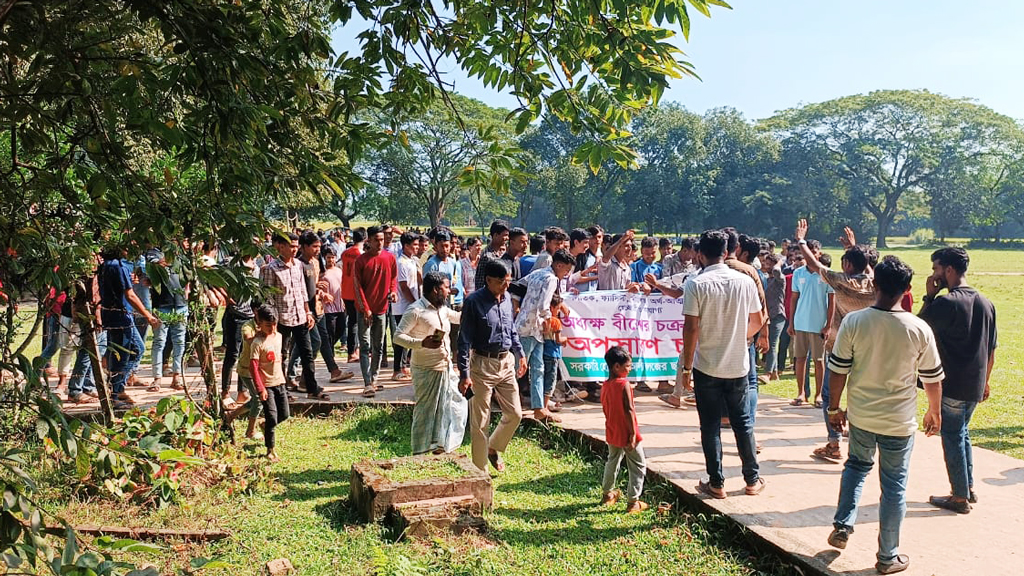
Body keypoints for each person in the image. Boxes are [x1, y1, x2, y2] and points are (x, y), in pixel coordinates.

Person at [825, 256, 945, 575]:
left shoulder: (854, 321)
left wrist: (834, 407)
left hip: (862, 417)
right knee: (894, 487)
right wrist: (934, 411)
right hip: (899, 422)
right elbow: (932, 377)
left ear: (874, 284)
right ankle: (887, 556)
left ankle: (843, 524)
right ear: (907, 290)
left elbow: (838, 371)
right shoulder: (918, 328)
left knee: (856, 467)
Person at [676, 230, 765, 499]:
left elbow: (690, 328)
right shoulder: (744, 280)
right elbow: (758, 321)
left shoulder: (697, 283)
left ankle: (716, 482)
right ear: (727, 252)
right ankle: (752, 479)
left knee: (710, 426)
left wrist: (686, 368)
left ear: (701, 254)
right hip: (738, 365)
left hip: (707, 366)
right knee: (743, 423)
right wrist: (739, 338)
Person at [918, 247, 997, 514]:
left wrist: (929, 296)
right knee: (961, 434)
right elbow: (992, 349)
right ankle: (967, 487)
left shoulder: (946, 303)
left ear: (948, 270)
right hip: (974, 383)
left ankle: (959, 497)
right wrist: (985, 381)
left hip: (950, 383)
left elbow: (917, 330)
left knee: (952, 436)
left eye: (936, 269)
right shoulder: (986, 302)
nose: (934, 274)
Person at [794, 219, 875, 462]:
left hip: (841, 347)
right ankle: (857, 439)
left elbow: (814, 264)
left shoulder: (841, 281)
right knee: (859, 393)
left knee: (831, 396)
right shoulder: (873, 283)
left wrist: (801, 241)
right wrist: (854, 247)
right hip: (866, 348)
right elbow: (868, 269)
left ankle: (833, 442)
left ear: (847, 265)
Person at [458, 258, 528, 472]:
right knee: (481, 421)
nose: (506, 286)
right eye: (501, 282)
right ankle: (480, 470)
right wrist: (464, 373)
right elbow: (464, 339)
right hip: (482, 365)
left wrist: (520, 354)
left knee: (515, 413)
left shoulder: (507, 298)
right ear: (488, 280)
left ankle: (494, 447)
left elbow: (511, 329)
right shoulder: (473, 302)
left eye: (508, 281)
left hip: (506, 362)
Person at [394, 271, 465, 455]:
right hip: (425, 369)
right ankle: (419, 451)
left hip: (445, 366)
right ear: (435, 289)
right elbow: (397, 336)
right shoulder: (415, 310)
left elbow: (457, 318)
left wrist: (472, 307)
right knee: (425, 411)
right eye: (446, 287)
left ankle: (439, 445)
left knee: (451, 406)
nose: (449, 291)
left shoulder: (442, 309)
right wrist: (420, 344)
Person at [260, 233, 322, 400]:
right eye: (291, 246)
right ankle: (282, 391)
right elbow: (267, 297)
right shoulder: (271, 269)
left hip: (300, 317)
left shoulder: (298, 266)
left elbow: (302, 292)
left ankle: (312, 388)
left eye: (296, 246)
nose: (295, 249)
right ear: (280, 246)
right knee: (281, 355)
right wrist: (271, 321)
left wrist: (308, 312)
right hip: (281, 319)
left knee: (307, 353)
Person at [515, 249, 575, 422]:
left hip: (527, 325)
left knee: (537, 368)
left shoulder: (536, 273)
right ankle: (506, 402)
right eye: (566, 270)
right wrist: (549, 320)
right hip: (534, 328)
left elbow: (518, 285)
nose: (566, 274)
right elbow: (544, 305)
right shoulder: (551, 279)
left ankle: (539, 408)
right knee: (521, 368)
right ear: (559, 265)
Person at [98, 244, 160, 409]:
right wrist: (148, 315)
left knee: (119, 351)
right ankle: (115, 391)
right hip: (121, 315)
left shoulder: (105, 266)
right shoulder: (119, 267)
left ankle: (118, 388)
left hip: (110, 314)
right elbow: (130, 295)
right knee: (131, 351)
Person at [599, 346, 648, 514]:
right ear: (616, 367)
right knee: (638, 465)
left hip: (612, 430)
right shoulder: (624, 384)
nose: (629, 369)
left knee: (612, 461)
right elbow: (629, 410)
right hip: (627, 432)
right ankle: (633, 501)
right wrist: (633, 434)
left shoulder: (605, 385)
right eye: (627, 366)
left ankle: (607, 494)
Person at [788, 237, 834, 407]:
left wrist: (828, 325)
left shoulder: (825, 273)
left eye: (814, 253)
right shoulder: (798, 273)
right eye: (808, 252)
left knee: (819, 360)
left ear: (818, 253)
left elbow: (832, 301)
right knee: (800, 359)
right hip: (801, 322)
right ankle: (801, 393)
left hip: (818, 324)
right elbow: (794, 299)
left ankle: (819, 394)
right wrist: (791, 322)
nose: (810, 256)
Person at [354, 225, 398, 397]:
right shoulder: (361, 260)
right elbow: (358, 287)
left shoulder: (390, 258)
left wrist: (393, 291)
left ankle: (374, 378)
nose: (381, 242)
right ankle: (367, 382)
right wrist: (365, 308)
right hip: (364, 309)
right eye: (377, 240)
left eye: (382, 239)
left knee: (378, 346)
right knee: (365, 346)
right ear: (369, 241)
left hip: (382, 309)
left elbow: (393, 278)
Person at [147, 246, 188, 392]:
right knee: (159, 342)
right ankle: (156, 379)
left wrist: (186, 291)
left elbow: (187, 274)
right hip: (162, 305)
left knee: (179, 342)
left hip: (181, 305)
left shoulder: (180, 252)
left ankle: (177, 376)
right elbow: (155, 264)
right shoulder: (153, 252)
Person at [250, 305, 288, 462]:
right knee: (272, 416)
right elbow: (253, 368)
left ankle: (266, 426)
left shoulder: (278, 336)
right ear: (259, 323)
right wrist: (260, 389)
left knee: (284, 414)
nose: (272, 328)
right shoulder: (257, 343)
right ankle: (270, 450)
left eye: (274, 324)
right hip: (267, 386)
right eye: (268, 325)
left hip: (280, 382)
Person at [423, 229, 464, 356]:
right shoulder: (432, 264)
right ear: (435, 247)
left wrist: (452, 291)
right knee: (438, 328)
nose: (445, 249)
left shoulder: (453, 263)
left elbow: (453, 281)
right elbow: (427, 287)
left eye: (447, 246)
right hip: (435, 303)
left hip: (449, 301)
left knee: (452, 329)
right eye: (441, 246)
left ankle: (452, 354)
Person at [391, 231, 421, 381]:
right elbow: (403, 286)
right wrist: (415, 303)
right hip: (403, 305)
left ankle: (403, 366)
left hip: (411, 304)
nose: (417, 247)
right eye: (414, 245)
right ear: (406, 246)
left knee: (408, 337)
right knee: (401, 338)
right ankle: (396, 369)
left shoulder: (412, 260)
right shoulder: (401, 262)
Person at [761, 253, 786, 383]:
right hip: (767, 316)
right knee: (770, 343)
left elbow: (776, 271)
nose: (766, 265)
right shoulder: (766, 279)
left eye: (769, 263)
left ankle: (768, 373)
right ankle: (775, 372)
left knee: (772, 344)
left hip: (777, 315)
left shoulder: (779, 279)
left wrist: (779, 262)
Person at [340, 229, 365, 363]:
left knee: (351, 322)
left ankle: (352, 351)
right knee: (357, 323)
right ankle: (355, 351)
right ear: (365, 239)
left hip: (346, 290)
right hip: (356, 292)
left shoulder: (345, 253)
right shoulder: (361, 254)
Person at [473, 220, 510, 289]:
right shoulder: (487, 256)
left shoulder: (503, 253)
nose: (507, 238)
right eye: (505, 235)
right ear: (495, 235)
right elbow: (480, 283)